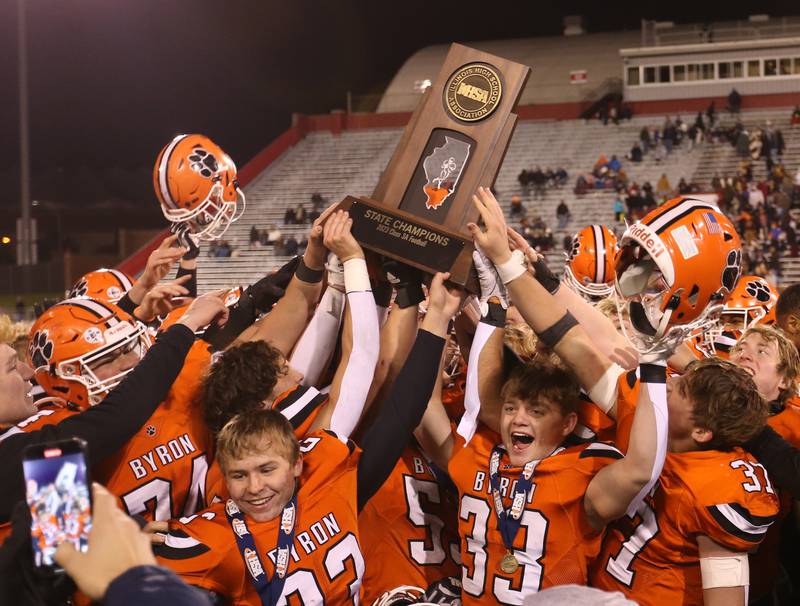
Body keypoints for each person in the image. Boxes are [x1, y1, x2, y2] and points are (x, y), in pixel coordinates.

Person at [155, 273, 462, 604]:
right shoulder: (216, 534)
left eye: (267, 470)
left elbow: (399, 412)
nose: (256, 487)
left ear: (298, 463)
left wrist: (436, 316)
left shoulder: (325, 477)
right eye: (239, 476)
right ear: (225, 476)